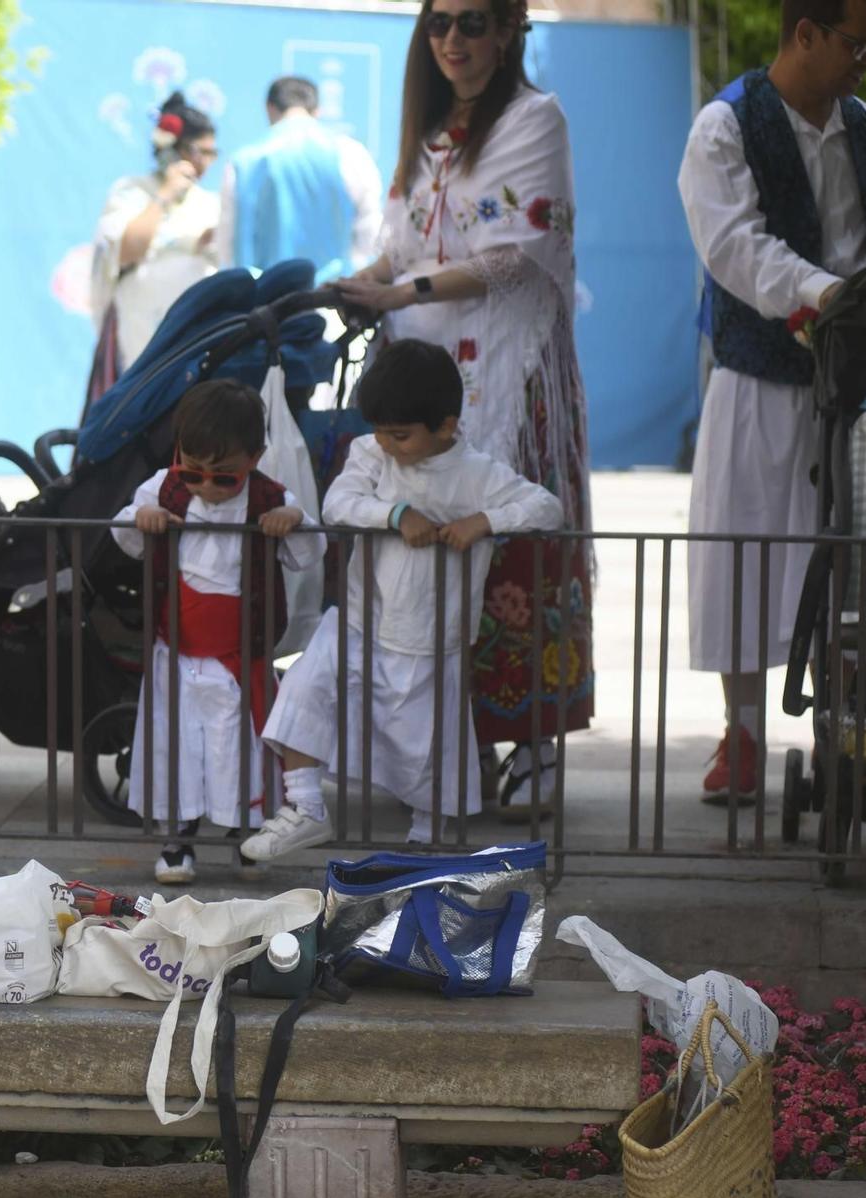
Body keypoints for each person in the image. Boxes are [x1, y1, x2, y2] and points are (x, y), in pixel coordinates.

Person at [336, 0, 592, 818]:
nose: (453, 40)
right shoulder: (429, 130)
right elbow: (406, 245)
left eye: (473, 22)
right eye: (440, 22)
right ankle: (454, 746)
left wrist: (397, 288)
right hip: (423, 380)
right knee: (426, 561)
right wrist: (363, 282)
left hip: (509, 382)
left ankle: (536, 745)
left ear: (510, 29)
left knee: (515, 551)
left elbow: (517, 255)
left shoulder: (533, 118)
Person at [679, 0, 866, 803]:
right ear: (806, 33)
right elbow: (734, 250)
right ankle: (743, 735)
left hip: (860, 385)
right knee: (742, 556)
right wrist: (831, 294)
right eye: (860, 45)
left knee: (856, 561)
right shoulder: (725, 126)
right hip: (757, 378)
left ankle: (852, 732)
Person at [243, 340, 563, 855]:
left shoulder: (477, 473)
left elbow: (546, 508)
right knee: (305, 689)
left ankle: (426, 835)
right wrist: (396, 515)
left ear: (446, 426)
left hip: (432, 636)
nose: (388, 444)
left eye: (401, 434)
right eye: (380, 431)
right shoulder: (371, 452)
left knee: (427, 742)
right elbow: (339, 502)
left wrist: (483, 522)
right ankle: (304, 806)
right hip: (357, 620)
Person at [113, 380, 325, 884]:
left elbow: (309, 552)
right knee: (178, 747)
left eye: (223, 477)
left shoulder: (271, 495)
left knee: (241, 751)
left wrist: (291, 519)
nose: (206, 486)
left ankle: (247, 840)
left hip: (240, 655)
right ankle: (178, 837)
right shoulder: (162, 486)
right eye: (194, 472)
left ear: (254, 457)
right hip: (177, 653)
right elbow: (123, 534)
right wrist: (141, 518)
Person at [87, 91, 222, 399]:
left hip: (195, 329)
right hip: (140, 328)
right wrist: (164, 195)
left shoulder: (211, 203)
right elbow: (127, 250)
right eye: (198, 151)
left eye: (210, 153)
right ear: (173, 149)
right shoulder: (132, 191)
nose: (204, 162)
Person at [216, 76, 385, 283]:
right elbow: (370, 231)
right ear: (317, 110)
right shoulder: (350, 153)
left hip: (264, 299)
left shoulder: (243, 162)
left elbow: (228, 242)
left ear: (269, 108)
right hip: (332, 296)